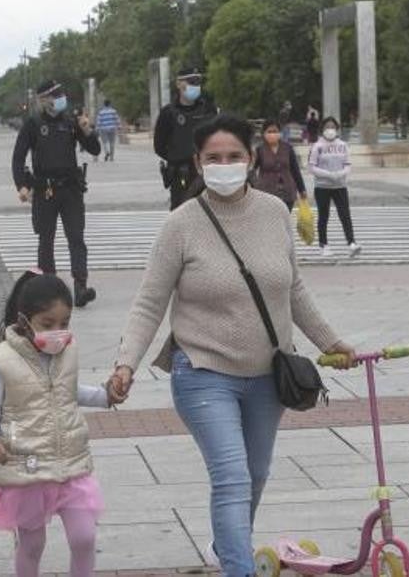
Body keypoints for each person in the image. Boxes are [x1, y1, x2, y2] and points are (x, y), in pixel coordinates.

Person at [108, 116, 356, 577]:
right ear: (198, 164)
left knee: (255, 474)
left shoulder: (274, 213)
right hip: (203, 372)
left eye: (234, 156)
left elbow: (293, 290)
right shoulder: (181, 225)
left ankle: (227, 545)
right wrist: (126, 365)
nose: (225, 166)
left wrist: (333, 342)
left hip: (268, 374)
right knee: (232, 477)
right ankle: (237, 569)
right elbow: (149, 303)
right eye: (213, 158)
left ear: (251, 158)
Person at [0, 271, 121, 577]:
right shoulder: (1, 360)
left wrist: (105, 396)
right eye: (47, 324)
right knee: (32, 544)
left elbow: (68, 390)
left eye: (65, 323)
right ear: (25, 321)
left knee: (84, 537)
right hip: (27, 467)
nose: (58, 331)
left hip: (71, 464)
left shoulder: (67, 352)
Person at [11, 79, 102, 307]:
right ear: (43, 100)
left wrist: (87, 129)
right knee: (46, 239)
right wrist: (21, 185)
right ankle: (49, 289)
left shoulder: (70, 122)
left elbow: (95, 149)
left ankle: (80, 287)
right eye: (54, 95)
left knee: (76, 238)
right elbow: (18, 157)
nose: (60, 98)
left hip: (71, 189)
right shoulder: (33, 124)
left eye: (60, 94)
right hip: (45, 190)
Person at [154, 67, 219, 210]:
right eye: (190, 82)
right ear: (178, 84)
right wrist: (176, 156)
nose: (194, 86)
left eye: (197, 82)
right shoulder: (168, 113)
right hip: (180, 173)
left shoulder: (208, 109)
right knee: (180, 212)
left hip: (206, 171)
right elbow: (159, 146)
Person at [307, 117, 361, 258]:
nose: (330, 130)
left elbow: (348, 164)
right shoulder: (317, 146)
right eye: (327, 127)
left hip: (340, 186)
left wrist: (340, 174)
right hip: (322, 187)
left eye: (332, 127)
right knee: (323, 216)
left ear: (337, 129)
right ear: (322, 129)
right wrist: (328, 175)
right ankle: (323, 245)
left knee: (345, 215)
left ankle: (351, 243)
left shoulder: (343, 145)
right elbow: (311, 167)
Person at [252, 119, 307, 211]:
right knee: (270, 220)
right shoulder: (259, 150)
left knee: (284, 219)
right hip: (266, 192)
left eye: (275, 131)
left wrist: (302, 189)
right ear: (264, 133)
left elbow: (295, 170)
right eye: (269, 132)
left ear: (279, 133)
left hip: (287, 191)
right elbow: (252, 170)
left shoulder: (288, 148)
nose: (272, 134)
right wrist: (255, 186)